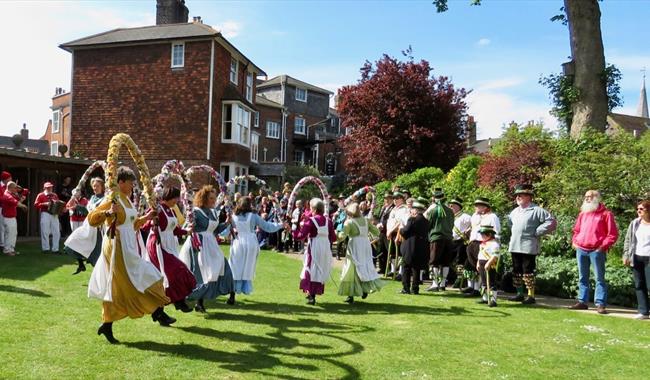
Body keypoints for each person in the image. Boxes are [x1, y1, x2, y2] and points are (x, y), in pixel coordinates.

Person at [86, 166, 170, 344]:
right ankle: (157, 312)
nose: (133, 186)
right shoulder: (112, 199)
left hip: (128, 246)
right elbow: (92, 219)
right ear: (121, 182)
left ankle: (107, 324)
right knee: (127, 283)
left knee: (133, 280)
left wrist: (146, 217)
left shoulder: (128, 200)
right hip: (116, 247)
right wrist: (108, 212)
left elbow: (131, 225)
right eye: (131, 182)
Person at [145, 187, 197, 314]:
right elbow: (145, 225)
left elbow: (174, 230)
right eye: (175, 197)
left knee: (176, 272)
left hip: (169, 245)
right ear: (168, 196)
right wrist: (152, 222)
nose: (177, 200)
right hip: (158, 245)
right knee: (173, 272)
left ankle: (172, 304)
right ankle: (177, 302)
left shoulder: (171, 211)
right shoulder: (157, 209)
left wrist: (187, 232)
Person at [182, 185, 234, 312]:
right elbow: (186, 228)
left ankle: (231, 294)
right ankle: (198, 302)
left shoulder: (213, 212)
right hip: (199, 245)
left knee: (223, 266)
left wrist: (226, 223)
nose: (213, 200)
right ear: (204, 199)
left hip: (211, 244)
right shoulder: (195, 212)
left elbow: (215, 230)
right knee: (202, 273)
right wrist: (191, 226)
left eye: (214, 198)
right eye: (211, 198)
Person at [569, 190, 619, 314]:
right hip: (581, 249)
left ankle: (600, 304)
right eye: (585, 196)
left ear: (597, 197)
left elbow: (612, 234)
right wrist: (575, 241)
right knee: (582, 277)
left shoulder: (606, 214)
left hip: (596, 250)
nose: (587, 199)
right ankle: (582, 302)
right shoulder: (583, 214)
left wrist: (602, 247)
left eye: (590, 197)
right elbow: (576, 230)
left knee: (599, 278)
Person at [507, 184, 557, 304]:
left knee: (528, 270)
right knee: (516, 270)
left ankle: (531, 295)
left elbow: (551, 221)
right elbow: (510, 224)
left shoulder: (537, 210)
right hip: (515, 245)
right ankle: (519, 293)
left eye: (521, 195)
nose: (518, 197)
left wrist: (538, 231)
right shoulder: (514, 211)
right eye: (517, 195)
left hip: (528, 245)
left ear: (529, 196)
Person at [229, 196, 284, 303]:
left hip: (238, 242)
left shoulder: (233, 216)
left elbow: (226, 230)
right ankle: (241, 289)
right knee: (247, 267)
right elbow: (267, 226)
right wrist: (280, 225)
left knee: (235, 267)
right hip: (251, 243)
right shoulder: (253, 216)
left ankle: (232, 295)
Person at [338, 202, 385, 303]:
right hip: (365, 246)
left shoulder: (349, 223)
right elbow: (376, 232)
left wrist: (335, 235)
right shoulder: (366, 220)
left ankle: (351, 295)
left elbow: (342, 236)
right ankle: (364, 289)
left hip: (354, 245)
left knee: (351, 269)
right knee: (365, 266)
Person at [293, 198, 336, 305]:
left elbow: (301, 236)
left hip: (315, 247)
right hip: (325, 248)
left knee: (311, 267)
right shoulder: (328, 221)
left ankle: (311, 294)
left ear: (314, 209)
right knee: (319, 268)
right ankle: (312, 293)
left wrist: (293, 230)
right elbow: (333, 237)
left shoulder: (311, 221)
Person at [64, 177, 106, 274]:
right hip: (87, 226)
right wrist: (77, 207)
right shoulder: (92, 198)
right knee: (71, 242)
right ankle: (81, 264)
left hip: (98, 229)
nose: (95, 188)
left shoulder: (105, 198)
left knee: (97, 254)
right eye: (94, 186)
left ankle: (100, 276)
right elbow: (88, 211)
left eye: (97, 186)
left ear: (102, 187)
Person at [464, 197, 501, 297]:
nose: (476, 207)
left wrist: (492, 245)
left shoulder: (492, 217)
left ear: (485, 207)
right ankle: (475, 288)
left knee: (483, 269)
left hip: (484, 244)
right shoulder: (476, 216)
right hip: (473, 242)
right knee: (474, 266)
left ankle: (479, 289)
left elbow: (496, 232)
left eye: (478, 205)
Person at [623, 199, 650, 320]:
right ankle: (643, 311)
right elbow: (628, 240)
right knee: (639, 284)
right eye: (637, 209)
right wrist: (626, 256)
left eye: (641, 209)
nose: (638, 211)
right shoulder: (635, 223)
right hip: (637, 257)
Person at [424, 188, 455, 292]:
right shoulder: (450, 211)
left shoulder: (433, 210)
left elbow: (428, 225)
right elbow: (452, 224)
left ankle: (435, 283)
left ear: (434, 198)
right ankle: (442, 284)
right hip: (448, 238)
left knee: (434, 261)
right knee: (445, 262)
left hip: (436, 238)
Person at [399, 201, 429, 294]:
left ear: (415, 210)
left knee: (406, 267)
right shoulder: (426, 221)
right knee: (416, 268)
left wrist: (401, 228)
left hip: (410, 247)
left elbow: (405, 231)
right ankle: (415, 288)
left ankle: (406, 288)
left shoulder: (412, 220)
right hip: (421, 247)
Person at [386, 190, 410, 279]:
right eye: (394, 199)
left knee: (400, 252)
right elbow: (390, 221)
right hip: (392, 232)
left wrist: (391, 230)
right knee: (392, 252)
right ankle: (393, 270)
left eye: (397, 198)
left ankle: (400, 272)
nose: (395, 200)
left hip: (399, 233)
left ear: (401, 199)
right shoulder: (394, 209)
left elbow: (400, 222)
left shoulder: (404, 209)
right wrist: (388, 231)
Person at [449, 197, 471, 289]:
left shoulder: (465, 217)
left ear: (458, 206)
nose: (450, 207)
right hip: (451, 241)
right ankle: (452, 278)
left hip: (461, 241)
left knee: (459, 261)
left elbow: (473, 225)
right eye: (450, 205)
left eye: (452, 205)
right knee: (449, 260)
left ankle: (459, 280)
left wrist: (468, 230)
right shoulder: (449, 216)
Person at [34, 182, 62, 254]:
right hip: (45, 213)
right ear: (44, 188)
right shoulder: (40, 195)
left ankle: (55, 249)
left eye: (51, 187)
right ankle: (45, 249)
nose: (50, 188)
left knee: (56, 232)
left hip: (54, 214)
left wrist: (61, 209)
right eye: (48, 187)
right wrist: (45, 204)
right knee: (45, 231)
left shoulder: (55, 195)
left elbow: (59, 204)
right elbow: (36, 205)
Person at [1, 182, 27, 256]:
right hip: (8, 218)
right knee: (9, 234)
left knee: (13, 234)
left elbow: (16, 204)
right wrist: (23, 206)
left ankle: (11, 249)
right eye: (15, 188)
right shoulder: (7, 195)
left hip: (12, 217)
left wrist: (21, 199)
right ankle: (7, 250)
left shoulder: (10, 194)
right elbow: (16, 203)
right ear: (10, 188)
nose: (16, 189)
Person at [476, 225, 500, 307]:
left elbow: (495, 256)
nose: (481, 236)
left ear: (489, 235)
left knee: (491, 282)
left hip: (490, 265)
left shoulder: (494, 244)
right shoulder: (482, 244)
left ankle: (493, 300)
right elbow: (480, 255)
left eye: (483, 234)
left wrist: (488, 263)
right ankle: (485, 298)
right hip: (482, 264)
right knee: (484, 281)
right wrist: (478, 263)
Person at [376, 192, 394, 275]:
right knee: (381, 250)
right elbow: (380, 218)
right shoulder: (384, 208)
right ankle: (382, 267)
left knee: (388, 250)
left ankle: (390, 269)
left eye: (388, 199)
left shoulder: (393, 208)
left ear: (391, 199)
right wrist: (379, 223)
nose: (386, 200)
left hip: (388, 231)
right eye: (385, 198)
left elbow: (391, 220)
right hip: (381, 232)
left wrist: (383, 224)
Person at [0, 171, 12, 251]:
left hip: (7, 208)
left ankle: (6, 244)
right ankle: (2, 244)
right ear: (5, 179)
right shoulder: (0, 186)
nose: (10, 180)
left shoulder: (8, 186)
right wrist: (8, 199)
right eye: (9, 179)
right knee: (1, 227)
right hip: (0, 207)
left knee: (7, 226)